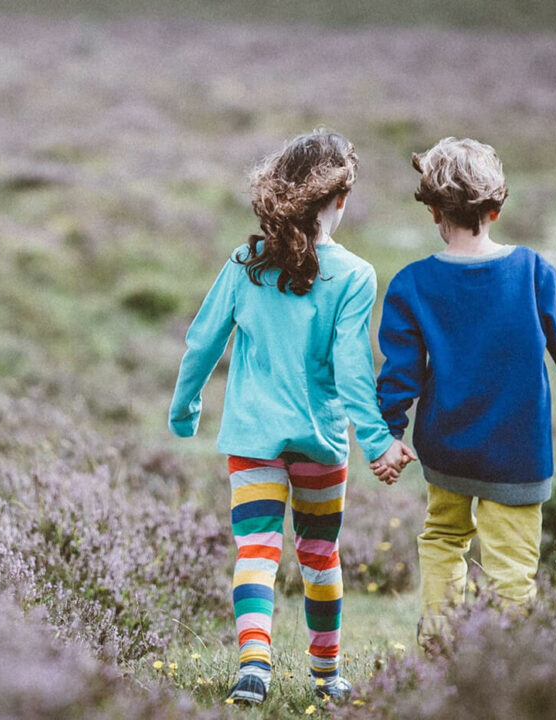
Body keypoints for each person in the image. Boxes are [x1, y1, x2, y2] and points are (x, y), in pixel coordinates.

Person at [169, 129, 413, 705]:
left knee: (255, 549)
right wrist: (377, 442)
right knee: (319, 555)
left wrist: (186, 407)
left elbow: (202, 341)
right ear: (340, 199)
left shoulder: (245, 261)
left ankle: (253, 664)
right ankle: (326, 676)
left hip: (252, 438)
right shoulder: (354, 274)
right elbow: (354, 370)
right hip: (321, 440)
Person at [373, 137, 556, 647]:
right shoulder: (533, 272)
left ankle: (439, 645)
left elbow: (400, 373)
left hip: (445, 450)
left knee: (443, 539)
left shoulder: (412, 284)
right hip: (518, 453)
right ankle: (508, 661)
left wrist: (388, 433)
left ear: (434, 212)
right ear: (495, 208)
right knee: (512, 568)